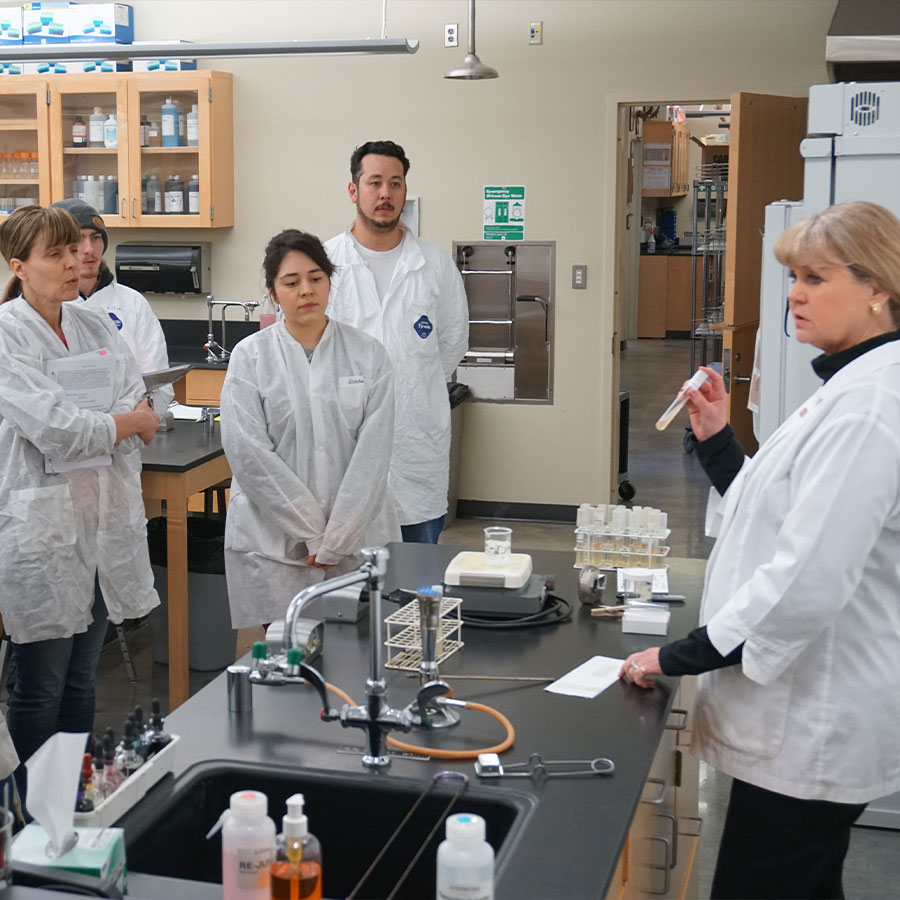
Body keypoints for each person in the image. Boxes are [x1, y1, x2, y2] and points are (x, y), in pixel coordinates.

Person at [619, 200, 900, 900]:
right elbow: (775, 520)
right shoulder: (850, 387)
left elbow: (806, 577)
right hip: (809, 712)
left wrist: (681, 655)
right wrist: (718, 440)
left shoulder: (868, 406)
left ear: (879, 289)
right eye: (793, 278)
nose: (794, 295)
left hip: (817, 716)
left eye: (814, 278)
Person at [0, 205, 161, 800]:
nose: (74, 263)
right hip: (41, 527)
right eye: (56, 254)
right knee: (40, 684)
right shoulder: (5, 335)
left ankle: (69, 797)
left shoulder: (95, 326)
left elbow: (135, 399)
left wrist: (115, 420)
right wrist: (118, 422)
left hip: (102, 517)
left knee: (82, 679)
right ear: (19, 266)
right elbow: (57, 427)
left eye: (76, 250)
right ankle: (28, 813)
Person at [220, 229, 400, 628]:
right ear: (273, 291)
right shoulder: (251, 358)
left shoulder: (368, 355)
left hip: (356, 538)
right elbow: (250, 456)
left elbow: (373, 454)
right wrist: (313, 533)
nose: (306, 290)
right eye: (291, 281)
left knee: (358, 660)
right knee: (289, 663)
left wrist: (338, 538)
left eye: (317, 278)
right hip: (279, 546)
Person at [325, 140, 468, 544]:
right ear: (354, 191)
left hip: (415, 444)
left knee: (418, 578)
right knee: (347, 581)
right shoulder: (324, 264)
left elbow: (453, 343)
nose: (385, 194)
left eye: (395, 183)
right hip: (343, 447)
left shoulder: (434, 264)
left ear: (405, 191)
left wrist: (409, 384)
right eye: (374, 183)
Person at [50, 198, 174, 410]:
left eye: (96, 237)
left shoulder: (132, 303)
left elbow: (157, 381)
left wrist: (133, 421)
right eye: (79, 239)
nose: (89, 249)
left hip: (128, 431)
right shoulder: (47, 306)